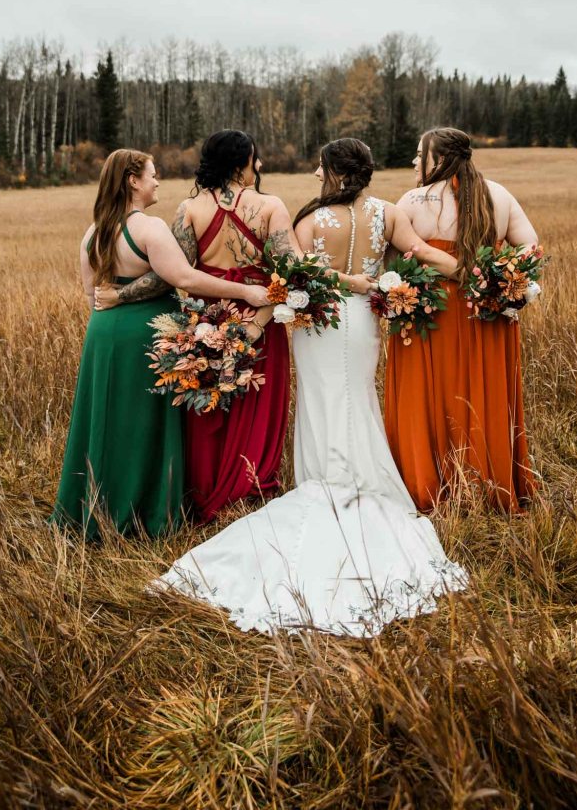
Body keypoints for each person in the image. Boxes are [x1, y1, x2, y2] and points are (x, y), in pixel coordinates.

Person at [152, 139, 466, 637]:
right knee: (358, 395)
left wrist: (334, 285)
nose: (316, 174)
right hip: (363, 321)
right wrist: (471, 274)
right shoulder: (389, 212)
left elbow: (299, 274)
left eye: (321, 167)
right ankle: (359, 478)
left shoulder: (310, 219)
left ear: (334, 171)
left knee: (321, 399)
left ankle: (323, 478)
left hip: (319, 323)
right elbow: (420, 253)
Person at [52, 148, 269, 539]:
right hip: (145, 335)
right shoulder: (149, 228)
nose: (157, 182)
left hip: (102, 336)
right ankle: (144, 514)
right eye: (152, 175)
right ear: (133, 181)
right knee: (143, 424)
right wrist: (245, 291)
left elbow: (91, 296)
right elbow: (184, 278)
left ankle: (95, 509)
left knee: (106, 420)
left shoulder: (92, 233)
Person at [97, 131, 299, 522]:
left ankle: (205, 493)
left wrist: (119, 295)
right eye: (254, 158)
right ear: (240, 163)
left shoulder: (189, 209)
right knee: (255, 403)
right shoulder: (271, 206)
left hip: (206, 319)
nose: (258, 166)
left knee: (207, 403)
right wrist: (259, 322)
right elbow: (291, 273)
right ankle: (249, 490)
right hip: (259, 316)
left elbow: (169, 275)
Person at [385, 127, 539, 513]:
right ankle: (487, 484)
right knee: (482, 392)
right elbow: (530, 246)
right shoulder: (499, 194)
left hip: (433, 310)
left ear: (438, 159)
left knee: (431, 393)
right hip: (486, 310)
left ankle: (430, 481)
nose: (414, 162)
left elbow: (400, 255)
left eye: (419, 155)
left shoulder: (413, 200)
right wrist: (498, 280)